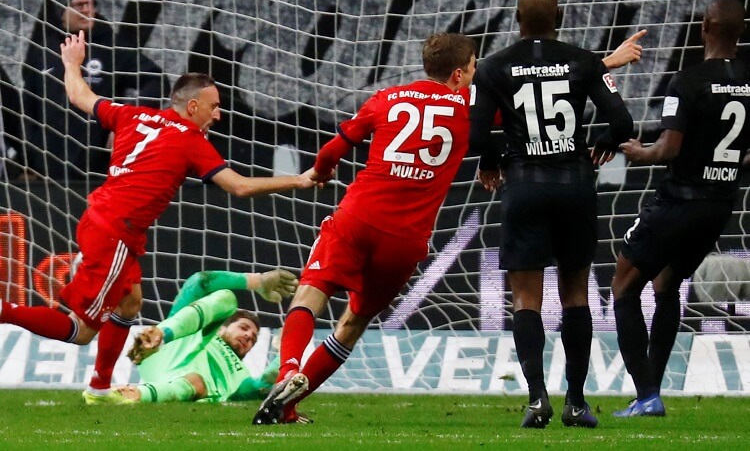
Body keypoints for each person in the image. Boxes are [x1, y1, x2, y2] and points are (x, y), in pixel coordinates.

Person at [0, 30, 320, 404]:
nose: (219, 114)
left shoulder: (133, 115)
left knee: (131, 304)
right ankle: (6, 312)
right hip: (115, 231)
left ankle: (100, 387)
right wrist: (298, 179)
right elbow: (239, 187)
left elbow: (79, 95)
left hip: (104, 220)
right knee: (81, 329)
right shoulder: (189, 139)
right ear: (193, 106)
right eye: (214, 106)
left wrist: (72, 63)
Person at [245, 32, 476, 424]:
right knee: (352, 324)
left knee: (310, 293)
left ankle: (287, 374)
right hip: (405, 240)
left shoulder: (388, 98)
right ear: (457, 74)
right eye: (473, 68)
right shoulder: (470, 106)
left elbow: (331, 151)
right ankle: (288, 406)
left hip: (358, 217)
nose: (474, 75)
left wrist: (320, 172)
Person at [469, 0, 634, 429]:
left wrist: (490, 161)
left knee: (526, 298)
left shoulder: (493, 67)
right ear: (558, 18)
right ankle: (576, 402)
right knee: (576, 294)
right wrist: (602, 142)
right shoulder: (584, 61)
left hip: (524, 185)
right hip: (575, 184)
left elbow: (477, 133)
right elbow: (622, 120)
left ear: (517, 19)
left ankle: (538, 398)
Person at [612, 0, 750, 417]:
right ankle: (651, 392)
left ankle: (646, 392)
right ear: (740, 31)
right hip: (720, 205)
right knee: (667, 284)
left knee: (623, 286)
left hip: (679, 201)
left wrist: (638, 151)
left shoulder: (686, 82)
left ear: (704, 27)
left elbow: (668, 149)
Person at [20, 0, 167, 180]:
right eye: (80, 5)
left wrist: (128, 123)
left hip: (98, 163)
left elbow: (156, 79)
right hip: (50, 168)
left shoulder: (111, 46)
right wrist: (29, 159)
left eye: (91, 4)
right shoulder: (43, 51)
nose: (88, 10)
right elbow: (29, 109)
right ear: (62, 11)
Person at [114, 269, 298, 405]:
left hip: (184, 387)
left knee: (196, 381)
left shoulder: (242, 377)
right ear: (221, 329)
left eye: (254, 339)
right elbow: (200, 282)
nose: (248, 335)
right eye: (243, 327)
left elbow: (266, 384)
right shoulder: (194, 327)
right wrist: (258, 281)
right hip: (164, 349)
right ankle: (160, 336)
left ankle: (131, 394)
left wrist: (285, 346)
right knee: (228, 299)